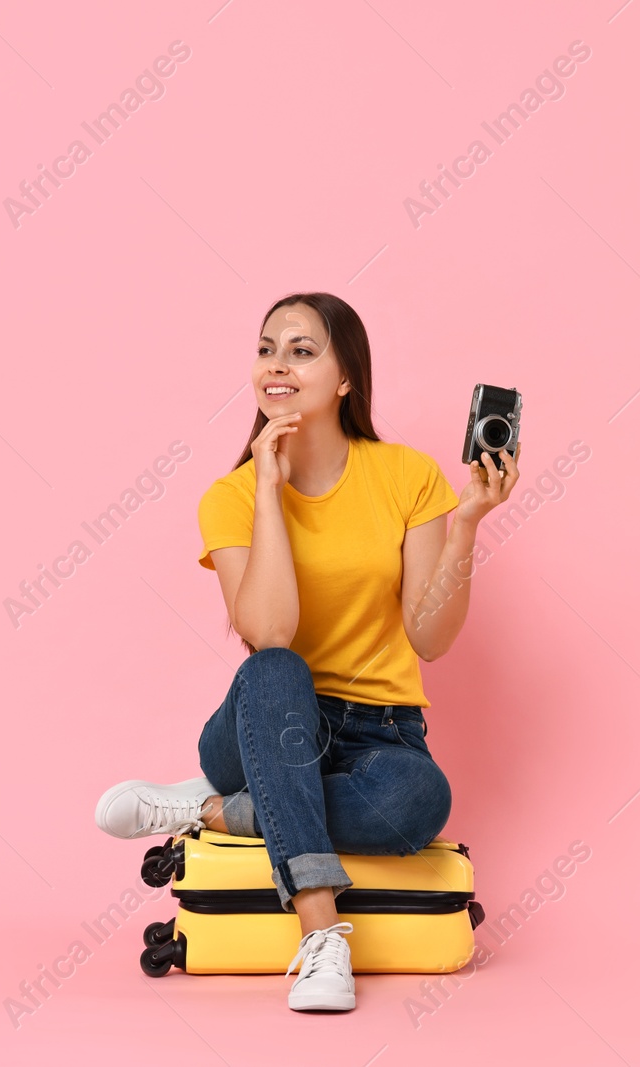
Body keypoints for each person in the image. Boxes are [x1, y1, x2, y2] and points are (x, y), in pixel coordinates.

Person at [95, 291, 521, 1012]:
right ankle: (323, 936)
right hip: (264, 721)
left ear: (346, 377)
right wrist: (268, 487)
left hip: (380, 733)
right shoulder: (230, 495)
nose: (277, 365)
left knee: (422, 798)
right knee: (276, 667)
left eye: (301, 349)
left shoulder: (408, 476)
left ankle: (216, 811)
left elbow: (431, 638)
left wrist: (468, 524)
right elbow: (271, 633)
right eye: (266, 348)